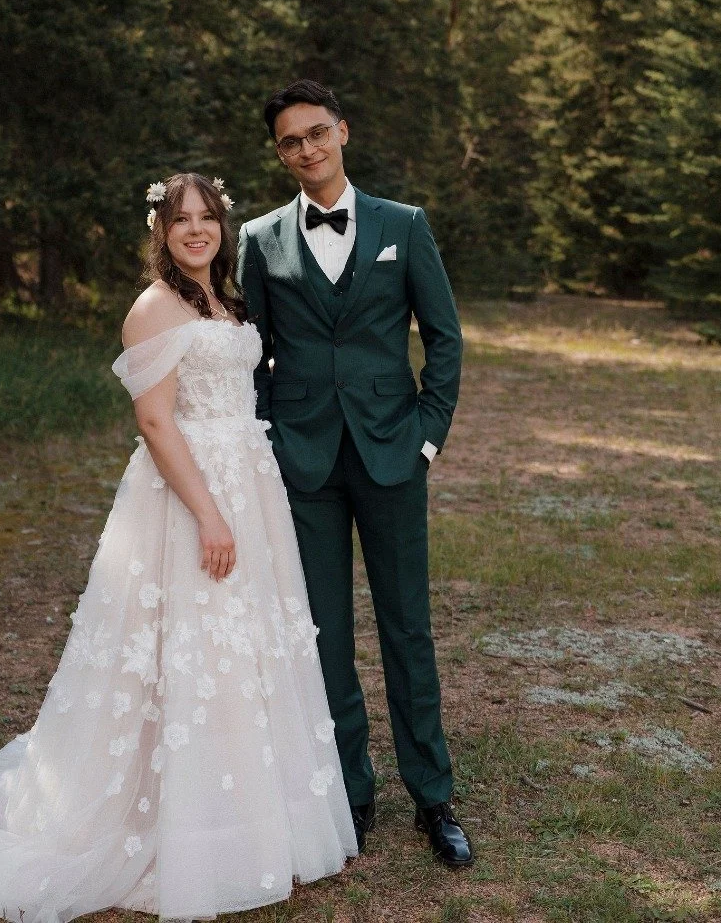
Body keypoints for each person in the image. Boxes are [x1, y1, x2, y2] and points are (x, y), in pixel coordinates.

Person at [0, 172, 356, 923]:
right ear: (161, 232)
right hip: (189, 496)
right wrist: (208, 513)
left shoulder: (227, 302)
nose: (196, 230)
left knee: (242, 654)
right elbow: (156, 424)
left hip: (249, 488)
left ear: (222, 229)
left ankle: (249, 820)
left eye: (207, 218)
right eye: (181, 220)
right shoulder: (154, 308)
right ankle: (169, 828)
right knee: (186, 649)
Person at [236, 79, 474, 868]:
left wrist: (427, 438)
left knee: (408, 629)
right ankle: (349, 794)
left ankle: (432, 797)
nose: (305, 148)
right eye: (289, 141)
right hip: (302, 463)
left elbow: (443, 339)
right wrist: (268, 436)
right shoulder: (259, 238)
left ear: (343, 130)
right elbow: (250, 356)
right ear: (279, 153)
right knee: (323, 637)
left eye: (316, 133)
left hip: (391, 453)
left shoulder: (404, 227)